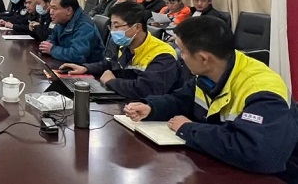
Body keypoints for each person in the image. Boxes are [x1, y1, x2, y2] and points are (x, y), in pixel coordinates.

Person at [124, 17, 298, 179]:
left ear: (203, 58)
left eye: (182, 52)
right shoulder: (210, 73)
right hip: (220, 163)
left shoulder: (262, 91)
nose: (180, 57)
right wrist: (152, 108)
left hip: (271, 177)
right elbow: (181, 100)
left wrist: (189, 129)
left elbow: (257, 153)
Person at [60, 2, 179, 99]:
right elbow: (112, 64)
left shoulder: (163, 54)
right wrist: (85, 68)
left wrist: (111, 82)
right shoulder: (126, 44)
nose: (113, 31)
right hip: (128, 101)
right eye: (111, 26)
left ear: (137, 27)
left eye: (117, 26)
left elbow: (147, 89)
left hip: (150, 110)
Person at [39, 0, 104, 63]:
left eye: (54, 8)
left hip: (86, 67)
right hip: (66, 63)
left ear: (68, 10)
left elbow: (78, 55)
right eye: (50, 8)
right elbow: (51, 40)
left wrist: (52, 50)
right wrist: (46, 46)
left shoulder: (85, 26)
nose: (50, 12)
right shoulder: (61, 21)